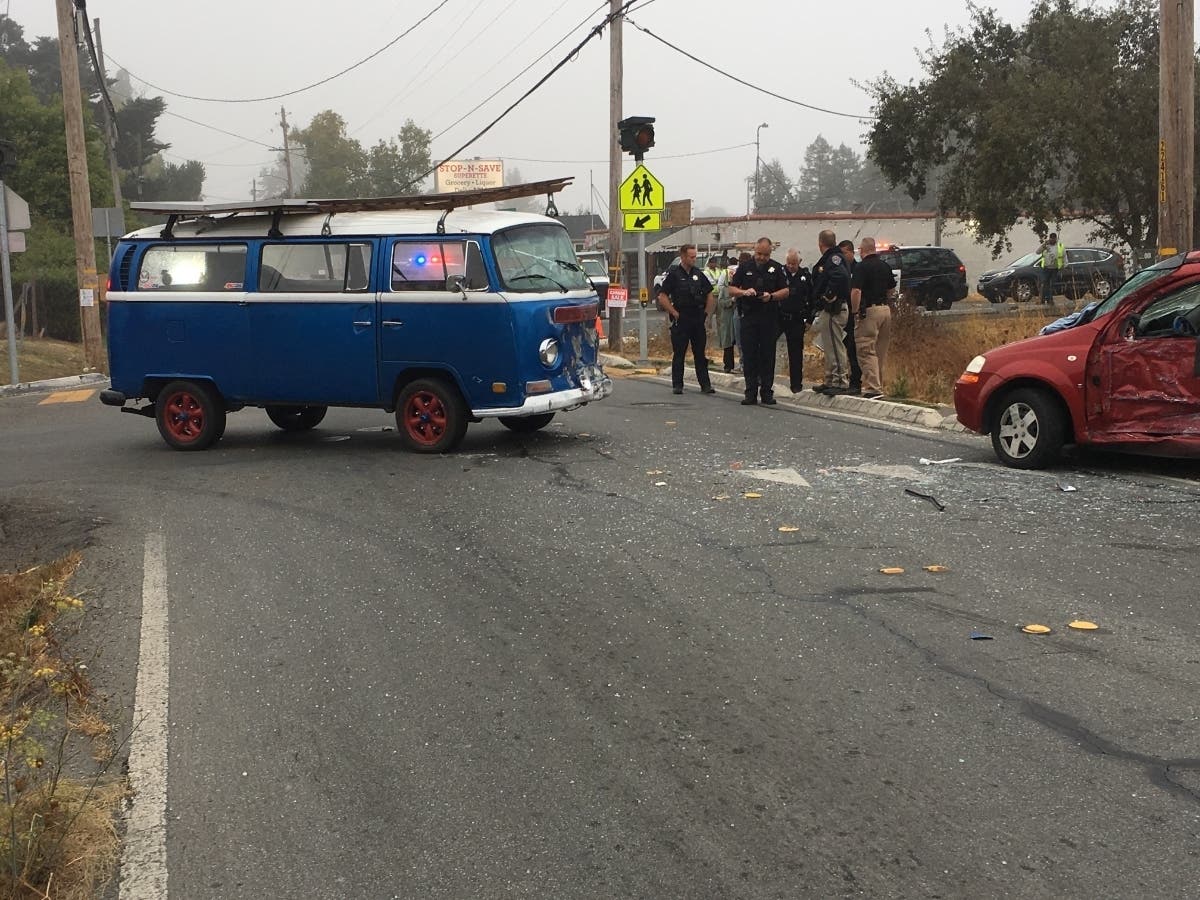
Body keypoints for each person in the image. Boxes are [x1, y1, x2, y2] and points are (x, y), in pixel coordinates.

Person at [729, 237, 789, 405]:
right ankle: (750, 392)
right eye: (759, 254)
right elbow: (731, 289)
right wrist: (744, 292)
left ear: (770, 253)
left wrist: (771, 296)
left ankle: (767, 392)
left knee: (767, 356)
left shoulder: (776, 268)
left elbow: (785, 291)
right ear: (755, 251)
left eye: (765, 254)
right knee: (749, 356)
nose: (761, 257)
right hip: (749, 317)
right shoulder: (745, 267)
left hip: (768, 317)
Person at [657, 243, 716, 395]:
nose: (694, 259)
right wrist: (674, 312)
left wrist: (706, 314)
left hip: (697, 318)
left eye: (695, 256)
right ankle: (677, 384)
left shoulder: (698, 274)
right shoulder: (674, 274)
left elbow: (710, 294)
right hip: (682, 318)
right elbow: (662, 296)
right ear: (683, 257)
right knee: (679, 353)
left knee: (700, 354)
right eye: (691, 257)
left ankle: (705, 385)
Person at [849, 236, 897, 399]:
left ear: (862, 250)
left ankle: (872, 387)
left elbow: (856, 291)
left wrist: (855, 311)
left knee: (865, 349)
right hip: (885, 310)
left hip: (869, 311)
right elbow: (891, 289)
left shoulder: (861, 268)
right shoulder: (885, 266)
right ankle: (879, 384)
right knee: (880, 351)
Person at [810, 230, 852, 394]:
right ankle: (830, 380)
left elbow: (840, 277)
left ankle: (840, 381)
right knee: (829, 347)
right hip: (829, 310)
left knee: (835, 346)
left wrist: (829, 295)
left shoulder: (833, 259)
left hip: (834, 309)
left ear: (820, 243)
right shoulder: (832, 257)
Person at [780, 248, 812, 393]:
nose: (791, 266)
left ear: (799, 262)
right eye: (788, 263)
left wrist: (809, 319)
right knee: (766, 347)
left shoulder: (805, 276)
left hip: (797, 318)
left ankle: (796, 385)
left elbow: (811, 298)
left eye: (793, 263)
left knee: (796, 353)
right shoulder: (780, 274)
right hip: (780, 316)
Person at [838, 239, 863, 394]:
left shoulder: (857, 269)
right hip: (842, 313)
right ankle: (843, 377)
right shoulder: (840, 269)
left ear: (851, 252)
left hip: (854, 313)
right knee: (843, 347)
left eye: (844, 253)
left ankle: (856, 381)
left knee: (854, 349)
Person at [1039, 232, 1065, 303]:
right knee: (1045, 284)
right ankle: (1043, 299)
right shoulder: (1046, 245)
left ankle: (1050, 299)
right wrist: (1044, 245)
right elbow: (1037, 252)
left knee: (1051, 285)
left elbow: (1064, 256)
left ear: (1056, 239)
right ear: (1049, 238)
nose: (1053, 240)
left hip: (1055, 268)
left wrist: (1064, 265)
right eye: (1051, 239)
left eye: (1054, 239)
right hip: (1046, 268)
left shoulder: (1060, 245)